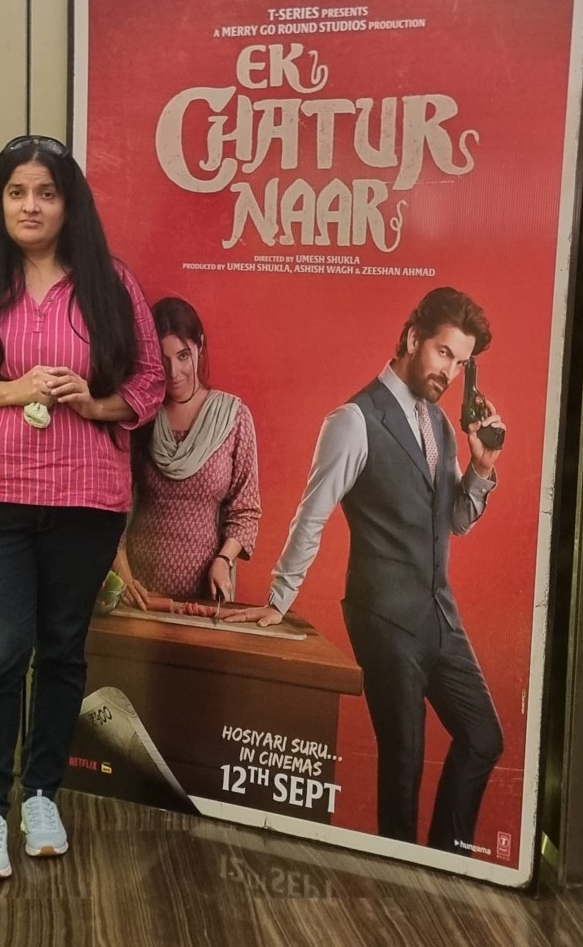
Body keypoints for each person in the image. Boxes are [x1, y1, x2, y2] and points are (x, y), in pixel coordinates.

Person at [0, 135, 165, 880]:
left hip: (86, 501)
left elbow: (149, 381)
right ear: (0, 201)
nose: (31, 206)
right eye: (17, 192)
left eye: (47, 193)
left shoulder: (110, 282)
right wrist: (14, 389)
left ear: (69, 203)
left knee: (61, 651)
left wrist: (94, 402)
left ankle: (43, 795)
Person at [225, 287, 505, 854]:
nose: (451, 372)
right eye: (444, 353)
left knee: (484, 738)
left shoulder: (441, 425)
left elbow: (453, 521)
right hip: (383, 617)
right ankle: (399, 884)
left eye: (461, 363)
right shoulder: (354, 420)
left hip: (438, 617)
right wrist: (279, 600)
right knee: (404, 761)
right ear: (412, 338)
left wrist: (482, 468)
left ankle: (448, 861)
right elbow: (312, 515)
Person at [112, 296, 260, 609]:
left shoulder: (233, 417)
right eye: (162, 360)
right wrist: (124, 577)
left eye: (183, 356)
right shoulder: (140, 415)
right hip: (139, 588)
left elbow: (245, 510)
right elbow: (113, 503)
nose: (174, 372)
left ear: (199, 345)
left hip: (204, 591)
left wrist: (224, 559)